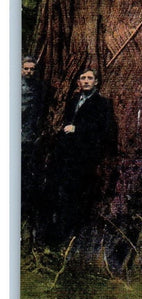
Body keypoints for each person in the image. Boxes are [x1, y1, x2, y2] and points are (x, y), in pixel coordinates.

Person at [47, 68, 114, 243]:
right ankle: (56, 236)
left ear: (96, 82)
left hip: (85, 157)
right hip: (65, 155)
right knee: (59, 193)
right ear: (78, 81)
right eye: (83, 78)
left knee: (77, 196)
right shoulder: (73, 100)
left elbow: (104, 130)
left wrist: (78, 130)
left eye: (90, 78)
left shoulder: (103, 103)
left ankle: (72, 236)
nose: (86, 81)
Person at [21, 56, 45, 232]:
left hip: (30, 139)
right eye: (26, 68)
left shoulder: (39, 88)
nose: (29, 72)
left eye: (32, 69)